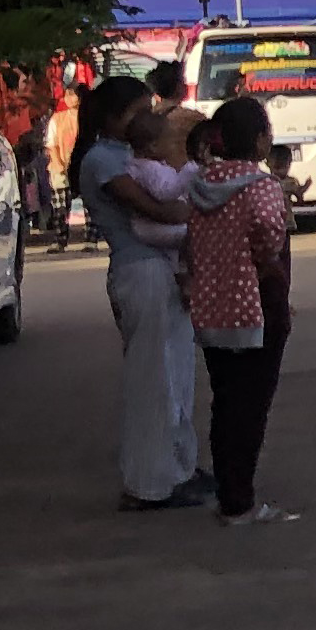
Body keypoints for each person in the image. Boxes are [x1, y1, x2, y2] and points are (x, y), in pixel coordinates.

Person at [70, 75, 210, 510]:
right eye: (139, 111)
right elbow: (155, 208)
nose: (149, 118)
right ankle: (149, 484)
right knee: (153, 379)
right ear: (115, 117)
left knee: (176, 373)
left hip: (158, 270)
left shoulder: (124, 154)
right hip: (140, 269)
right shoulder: (103, 159)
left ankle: (177, 468)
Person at [185, 96, 299, 527]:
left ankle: (228, 493)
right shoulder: (261, 186)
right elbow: (271, 239)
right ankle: (241, 501)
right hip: (256, 307)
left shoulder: (201, 185)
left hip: (213, 306)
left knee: (225, 402)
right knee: (252, 406)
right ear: (258, 140)